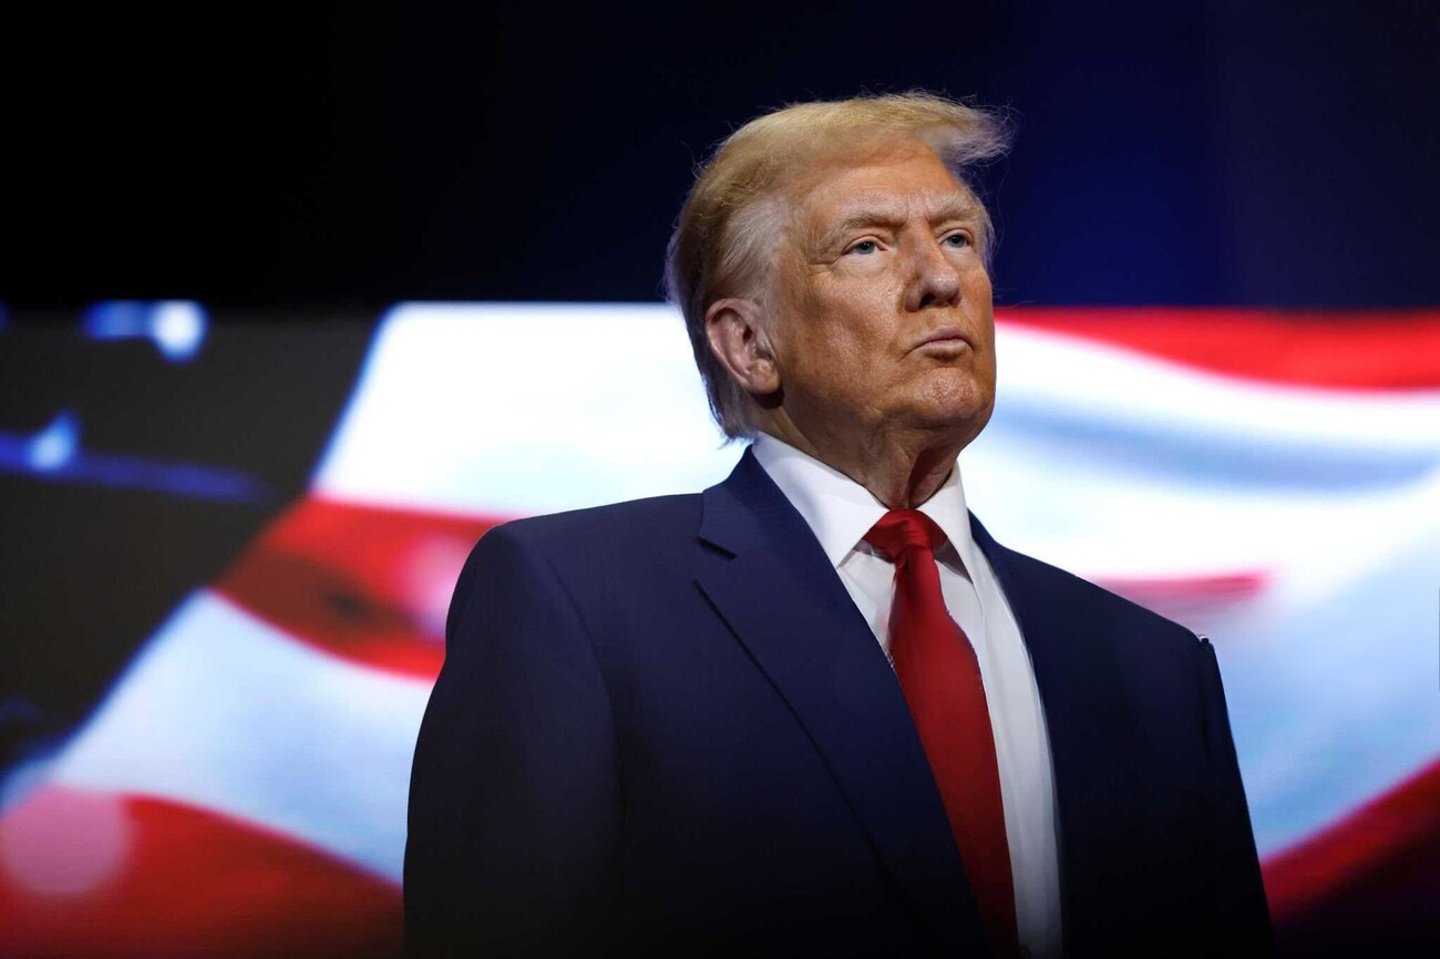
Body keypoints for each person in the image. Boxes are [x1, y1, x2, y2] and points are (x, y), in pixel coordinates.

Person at [404, 92, 1272, 958]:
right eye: (867, 246)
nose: (940, 280)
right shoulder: (580, 605)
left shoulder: (1155, 672)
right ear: (748, 344)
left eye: (959, 238)